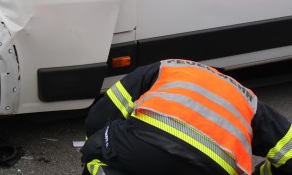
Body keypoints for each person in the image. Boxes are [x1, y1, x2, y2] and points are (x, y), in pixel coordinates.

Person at [81, 59, 292, 175]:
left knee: (96, 150)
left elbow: (100, 115)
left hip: (153, 140)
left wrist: (103, 143)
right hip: (218, 168)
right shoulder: (250, 102)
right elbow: (289, 155)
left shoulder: (167, 68)